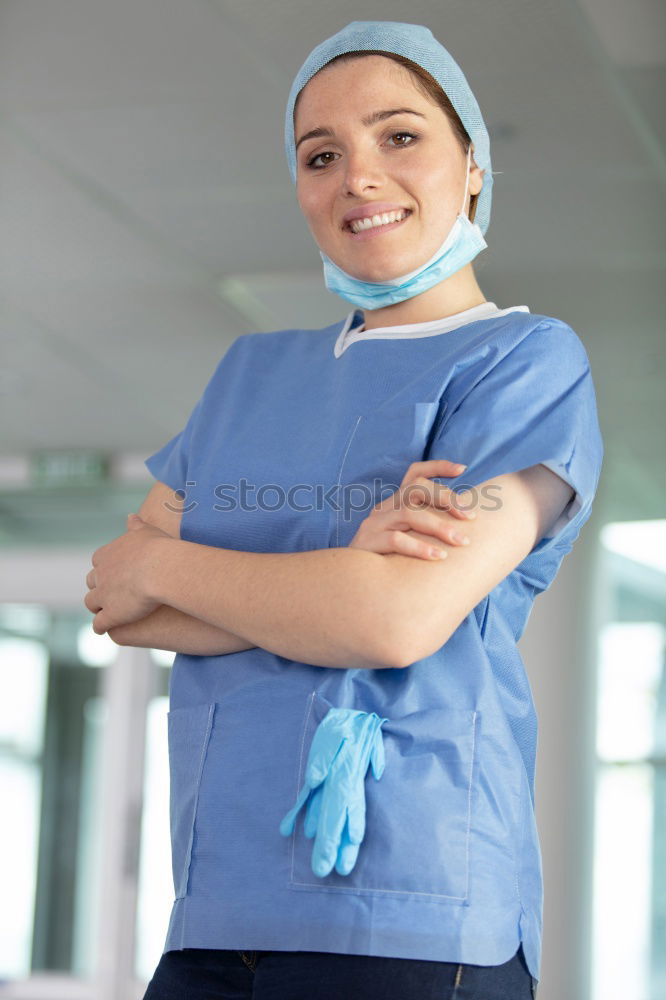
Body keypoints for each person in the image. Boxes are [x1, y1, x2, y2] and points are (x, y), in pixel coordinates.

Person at [84, 20, 603, 1000]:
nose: (357, 176)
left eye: (399, 136)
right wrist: (334, 571)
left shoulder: (527, 365)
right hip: (212, 908)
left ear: (475, 165)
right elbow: (117, 600)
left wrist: (172, 564)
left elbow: (391, 618)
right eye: (321, 154)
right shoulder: (247, 374)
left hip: (407, 911)